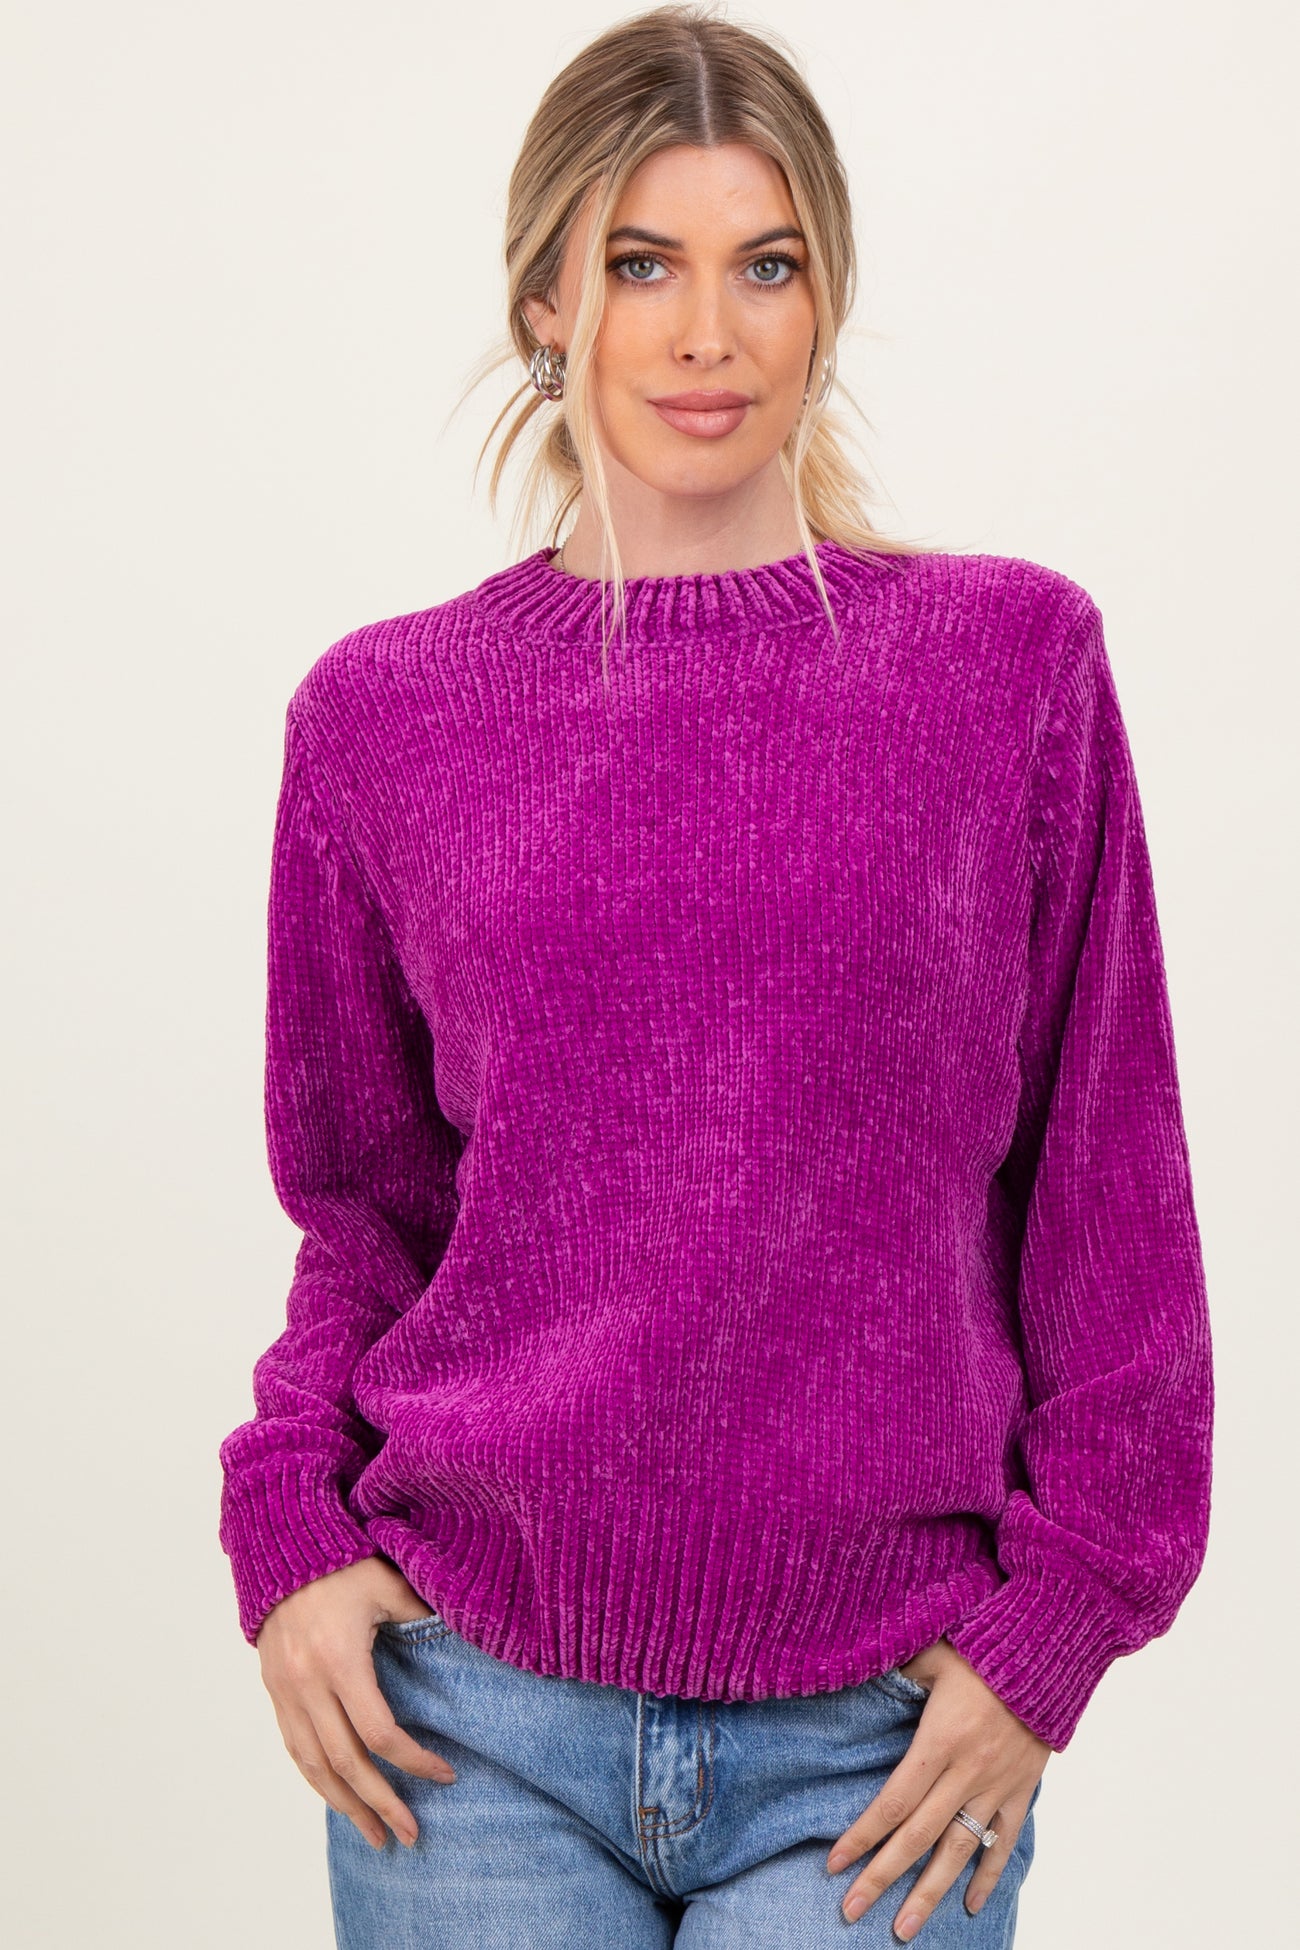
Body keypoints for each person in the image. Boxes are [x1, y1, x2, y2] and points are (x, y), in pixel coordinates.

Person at [217, 7, 1214, 1945]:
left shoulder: (1005, 671)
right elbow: (362, 1217)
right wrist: (290, 1534)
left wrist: (1058, 1626)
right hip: (467, 1720)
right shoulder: (383, 717)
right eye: (638, 264)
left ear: (825, 299)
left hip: (876, 1745)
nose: (703, 334)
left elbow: (1110, 1200)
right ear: (544, 301)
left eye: (764, 266)